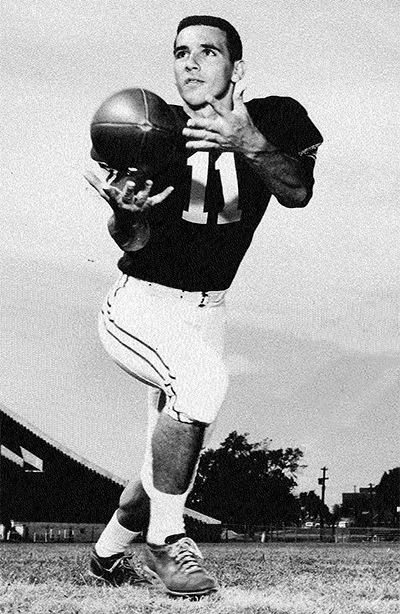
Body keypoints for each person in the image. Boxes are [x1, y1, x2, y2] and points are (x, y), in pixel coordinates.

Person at [84, 14, 323, 597]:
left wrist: (252, 143)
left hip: (207, 313)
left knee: (164, 457)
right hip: (139, 307)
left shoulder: (274, 117)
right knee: (202, 385)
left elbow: (297, 191)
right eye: (180, 52)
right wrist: (126, 212)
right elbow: (134, 245)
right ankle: (167, 540)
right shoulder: (151, 131)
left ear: (236, 67)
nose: (189, 63)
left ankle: (107, 554)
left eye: (207, 52)